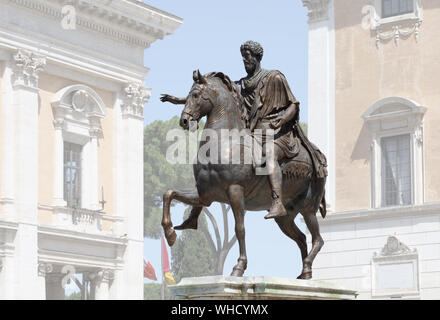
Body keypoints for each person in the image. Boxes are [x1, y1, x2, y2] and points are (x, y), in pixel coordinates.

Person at [160, 40, 327, 220]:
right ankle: (195, 212)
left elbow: (293, 105)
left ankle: (277, 201)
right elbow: (208, 93)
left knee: (269, 151)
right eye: (243, 58)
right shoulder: (240, 85)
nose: (244, 61)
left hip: (276, 131)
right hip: (252, 132)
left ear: (256, 57)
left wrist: (282, 120)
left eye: (247, 57)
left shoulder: (275, 77)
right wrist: (178, 100)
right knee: (213, 161)